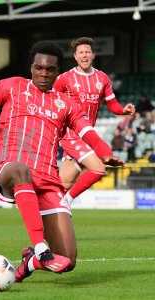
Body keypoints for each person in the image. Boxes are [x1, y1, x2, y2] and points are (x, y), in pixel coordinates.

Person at [0, 41, 123, 281]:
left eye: (50, 69)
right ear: (31, 67)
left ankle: (32, 262)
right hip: (9, 173)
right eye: (39, 68)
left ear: (58, 72)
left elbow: (87, 130)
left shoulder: (66, 104)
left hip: (47, 181)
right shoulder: (12, 86)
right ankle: (40, 247)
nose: (44, 73)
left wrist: (105, 152)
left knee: (67, 260)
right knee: (20, 169)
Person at [53, 37, 135, 205]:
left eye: (87, 52)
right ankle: (66, 202)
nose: (84, 55)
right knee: (98, 169)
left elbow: (112, 103)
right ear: (75, 56)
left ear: (93, 55)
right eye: (81, 52)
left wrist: (123, 110)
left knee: (64, 183)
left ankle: (51, 207)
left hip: (88, 136)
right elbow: (50, 101)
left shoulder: (102, 78)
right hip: (70, 134)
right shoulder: (64, 78)